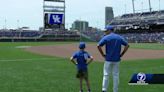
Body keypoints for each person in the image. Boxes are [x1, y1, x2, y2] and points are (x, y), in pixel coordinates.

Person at [97, 25, 129, 92]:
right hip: (117, 59)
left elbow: (98, 45)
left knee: (106, 75)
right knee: (116, 75)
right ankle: (115, 90)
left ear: (109, 30)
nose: (105, 32)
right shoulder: (119, 37)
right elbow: (127, 45)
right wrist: (122, 54)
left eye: (106, 31)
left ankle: (104, 90)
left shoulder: (106, 37)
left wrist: (103, 54)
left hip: (108, 59)